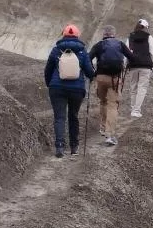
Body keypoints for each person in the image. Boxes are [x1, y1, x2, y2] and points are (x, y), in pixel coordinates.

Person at [43, 24, 96, 158]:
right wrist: (91, 76)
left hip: (57, 88)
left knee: (59, 117)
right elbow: (90, 72)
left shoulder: (56, 50)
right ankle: (74, 147)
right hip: (77, 89)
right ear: (77, 36)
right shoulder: (83, 51)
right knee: (73, 116)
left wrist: (50, 84)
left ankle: (59, 147)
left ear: (63, 35)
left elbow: (48, 70)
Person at [89, 25, 134, 146]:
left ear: (104, 34)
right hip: (115, 79)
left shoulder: (99, 45)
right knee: (112, 105)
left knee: (103, 102)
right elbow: (131, 58)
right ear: (114, 34)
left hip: (101, 78)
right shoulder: (120, 44)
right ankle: (110, 135)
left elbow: (88, 58)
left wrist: (93, 72)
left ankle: (103, 128)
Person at [125, 19, 153, 118]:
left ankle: (133, 109)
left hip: (133, 65)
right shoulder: (149, 37)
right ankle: (136, 110)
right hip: (146, 66)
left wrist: (124, 64)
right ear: (145, 27)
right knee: (142, 88)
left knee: (133, 88)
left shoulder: (130, 37)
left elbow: (126, 52)